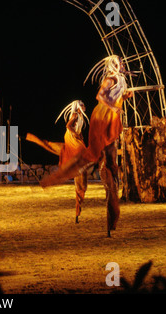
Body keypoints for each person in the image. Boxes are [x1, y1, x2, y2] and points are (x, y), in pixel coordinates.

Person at [41, 55, 133, 237]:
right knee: (102, 159)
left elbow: (114, 96)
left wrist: (125, 96)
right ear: (114, 65)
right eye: (120, 62)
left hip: (111, 118)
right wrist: (114, 107)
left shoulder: (120, 79)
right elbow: (100, 95)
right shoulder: (111, 78)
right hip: (103, 117)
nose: (123, 65)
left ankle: (112, 201)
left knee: (110, 164)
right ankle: (58, 178)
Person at [26, 100, 89, 223]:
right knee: (78, 176)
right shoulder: (75, 115)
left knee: (50, 146)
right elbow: (69, 126)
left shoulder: (79, 116)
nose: (84, 106)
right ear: (78, 106)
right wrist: (75, 134)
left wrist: (78, 135)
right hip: (73, 146)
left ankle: (30, 137)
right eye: (82, 104)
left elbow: (73, 129)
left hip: (73, 145)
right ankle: (77, 204)